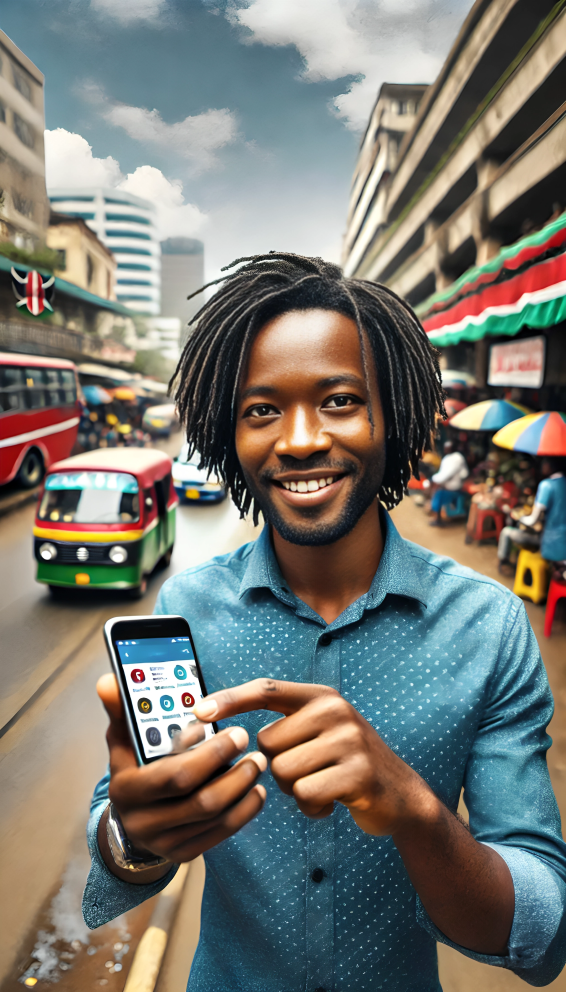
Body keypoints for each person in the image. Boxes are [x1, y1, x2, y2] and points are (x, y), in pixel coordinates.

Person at [85, 253, 566, 992]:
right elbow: (121, 836)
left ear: (392, 413)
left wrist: (414, 810)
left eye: (339, 399)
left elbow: (541, 938)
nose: (300, 439)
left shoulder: (491, 625)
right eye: (262, 410)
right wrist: (132, 840)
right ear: (227, 434)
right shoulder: (187, 609)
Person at [498, 457, 566, 576]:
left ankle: (504, 563)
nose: (542, 465)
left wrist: (518, 516)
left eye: (544, 462)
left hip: (550, 544)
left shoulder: (547, 485)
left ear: (551, 465)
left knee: (507, 532)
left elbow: (532, 520)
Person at [428, 440, 469, 526]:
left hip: (455, 488)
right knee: (436, 490)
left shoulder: (457, 458)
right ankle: (435, 513)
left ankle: (438, 519)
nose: (446, 450)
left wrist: (433, 479)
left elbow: (447, 474)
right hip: (449, 486)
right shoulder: (447, 458)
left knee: (439, 494)